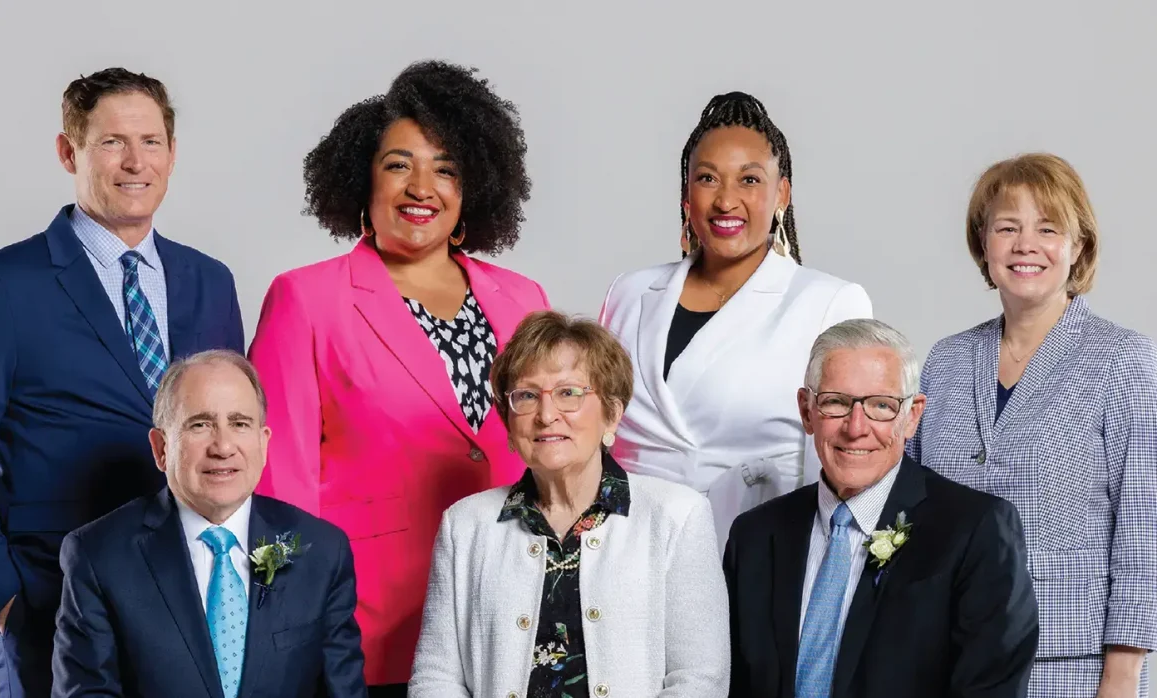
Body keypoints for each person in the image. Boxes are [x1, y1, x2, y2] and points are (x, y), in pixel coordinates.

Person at [248, 60, 549, 695]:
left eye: (446, 167)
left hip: (510, 616)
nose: (422, 186)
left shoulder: (524, 301)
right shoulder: (306, 299)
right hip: (367, 628)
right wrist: (293, 633)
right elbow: (280, 485)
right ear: (361, 178)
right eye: (398, 164)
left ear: (475, 187)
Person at [0, 67, 244, 697]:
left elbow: (229, 438)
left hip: (193, 604)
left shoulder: (210, 281)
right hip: (52, 603)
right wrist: (2, 596)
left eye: (151, 141)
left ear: (173, 152)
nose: (136, 162)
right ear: (67, 151)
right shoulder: (6, 284)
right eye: (111, 142)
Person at [909, 153, 1157, 698]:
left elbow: (1144, 524)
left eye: (1048, 228)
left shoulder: (1124, 360)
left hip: (1068, 657)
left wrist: (1122, 677)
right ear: (984, 243)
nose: (1026, 245)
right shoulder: (945, 360)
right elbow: (909, 503)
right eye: (1007, 227)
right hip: (944, 653)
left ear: (1079, 246)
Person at [598, 91, 872, 548]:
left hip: (757, 554)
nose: (726, 200)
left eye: (749, 180)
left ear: (781, 192)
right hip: (624, 549)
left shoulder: (829, 302)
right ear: (686, 194)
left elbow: (841, 460)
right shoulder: (628, 292)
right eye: (708, 178)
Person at [409, 311, 729, 698]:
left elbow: (699, 679)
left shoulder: (677, 516)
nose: (546, 415)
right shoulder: (464, 525)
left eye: (569, 393)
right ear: (509, 424)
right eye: (526, 396)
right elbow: (435, 677)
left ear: (612, 413)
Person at [726, 318, 1039, 697]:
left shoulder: (976, 530)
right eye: (836, 403)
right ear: (807, 411)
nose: (856, 427)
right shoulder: (755, 536)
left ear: (912, 417)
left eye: (880, 406)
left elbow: (991, 689)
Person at [50, 350, 366, 697]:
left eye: (240, 423)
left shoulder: (321, 551)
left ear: (263, 443)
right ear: (161, 448)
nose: (223, 446)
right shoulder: (98, 556)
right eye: (200, 424)